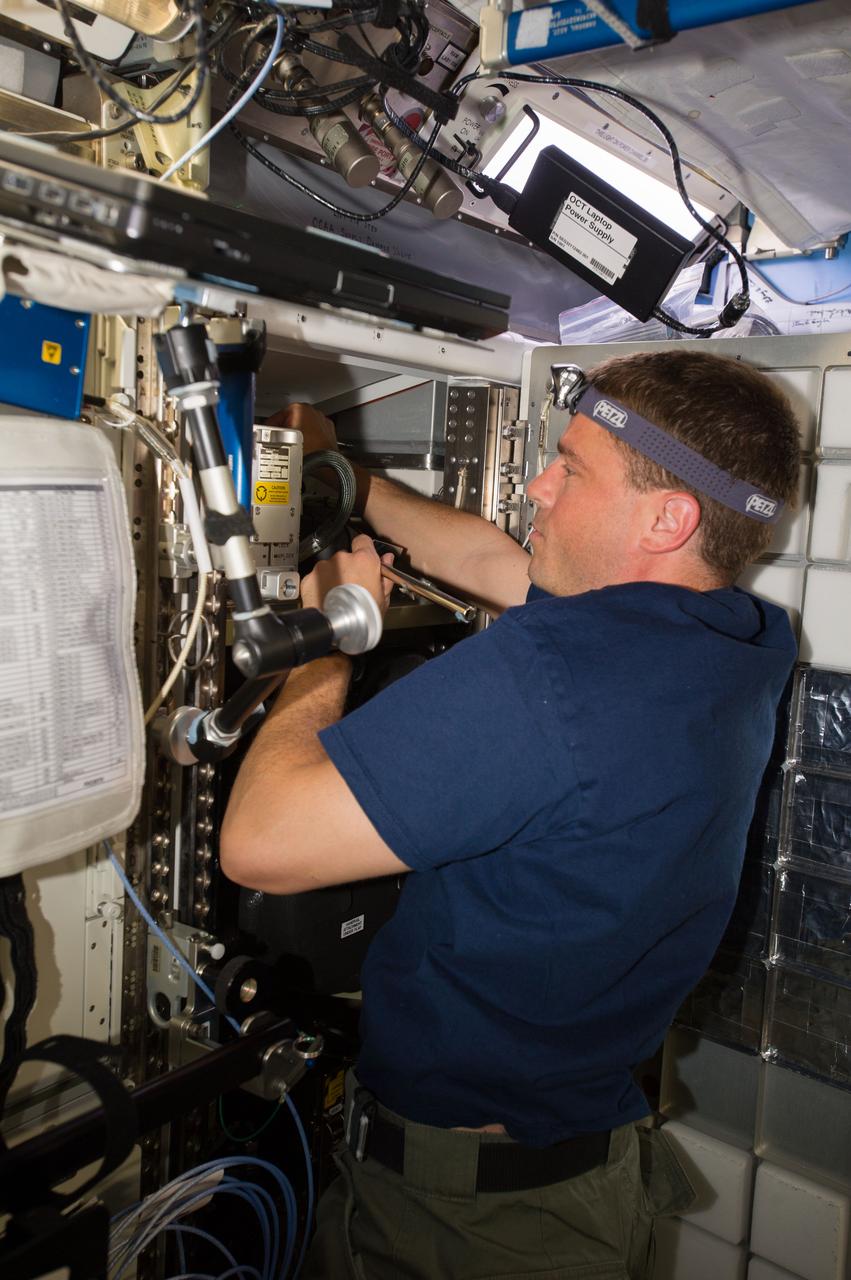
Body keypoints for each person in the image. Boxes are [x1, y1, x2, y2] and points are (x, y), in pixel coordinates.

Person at [220, 348, 801, 1279]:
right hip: (575, 1174)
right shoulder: (731, 638)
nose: (537, 487)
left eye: (570, 468)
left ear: (667, 518)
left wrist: (328, 637)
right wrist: (350, 478)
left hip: (468, 1224)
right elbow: (491, 562)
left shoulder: (553, 681)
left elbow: (259, 846)